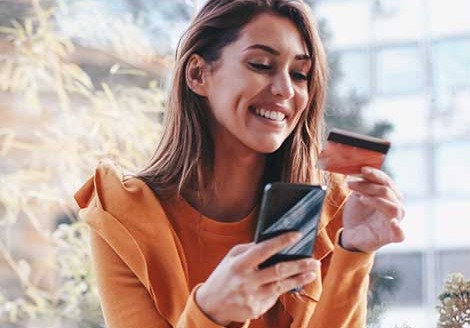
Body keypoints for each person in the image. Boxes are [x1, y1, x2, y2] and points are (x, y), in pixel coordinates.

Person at [74, 1, 405, 327]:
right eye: (261, 64)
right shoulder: (124, 213)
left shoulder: (330, 204)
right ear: (198, 74)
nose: (285, 90)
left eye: (300, 74)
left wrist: (355, 251)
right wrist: (210, 312)